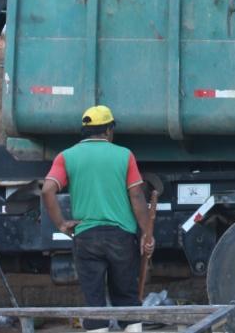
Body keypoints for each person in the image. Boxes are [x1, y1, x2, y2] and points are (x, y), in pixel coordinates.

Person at [42, 105, 155, 330]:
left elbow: (47, 190)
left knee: (94, 302)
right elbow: (136, 196)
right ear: (108, 130)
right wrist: (146, 234)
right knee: (127, 300)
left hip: (86, 236)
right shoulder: (124, 155)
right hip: (121, 237)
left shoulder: (66, 156)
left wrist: (62, 224)